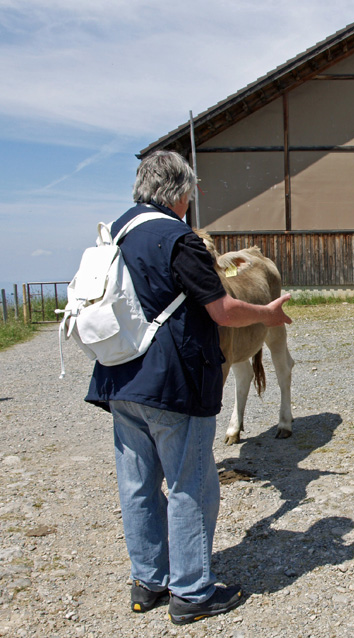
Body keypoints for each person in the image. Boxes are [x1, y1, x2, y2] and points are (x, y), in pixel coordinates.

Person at [85, 150, 292, 625]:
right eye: (190, 194)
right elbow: (223, 310)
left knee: (137, 485)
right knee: (191, 486)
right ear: (181, 193)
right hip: (172, 383)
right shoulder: (178, 239)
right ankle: (192, 592)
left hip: (119, 379)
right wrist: (266, 314)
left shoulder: (114, 233)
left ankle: (149, 581)